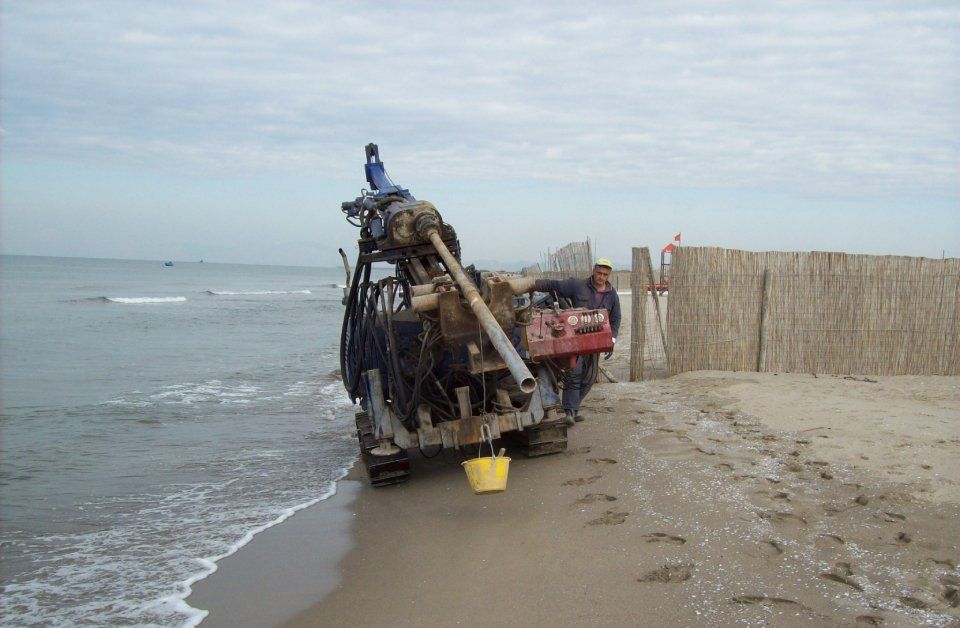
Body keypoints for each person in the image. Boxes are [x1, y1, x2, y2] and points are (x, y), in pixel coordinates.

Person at [532, 258, 621, 426]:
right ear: (594, 270)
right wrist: (532, 284)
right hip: (576, 340)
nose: (601, 277)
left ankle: (574, 408)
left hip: (596, 340)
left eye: (605, 274)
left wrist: (612, 339)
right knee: (574, 374)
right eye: (599, 272)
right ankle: (569, 412)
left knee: (590, 377)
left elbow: (616, 318)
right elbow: (554, 286)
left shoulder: (612, 294)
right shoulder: (577, 286)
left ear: (608, 275)